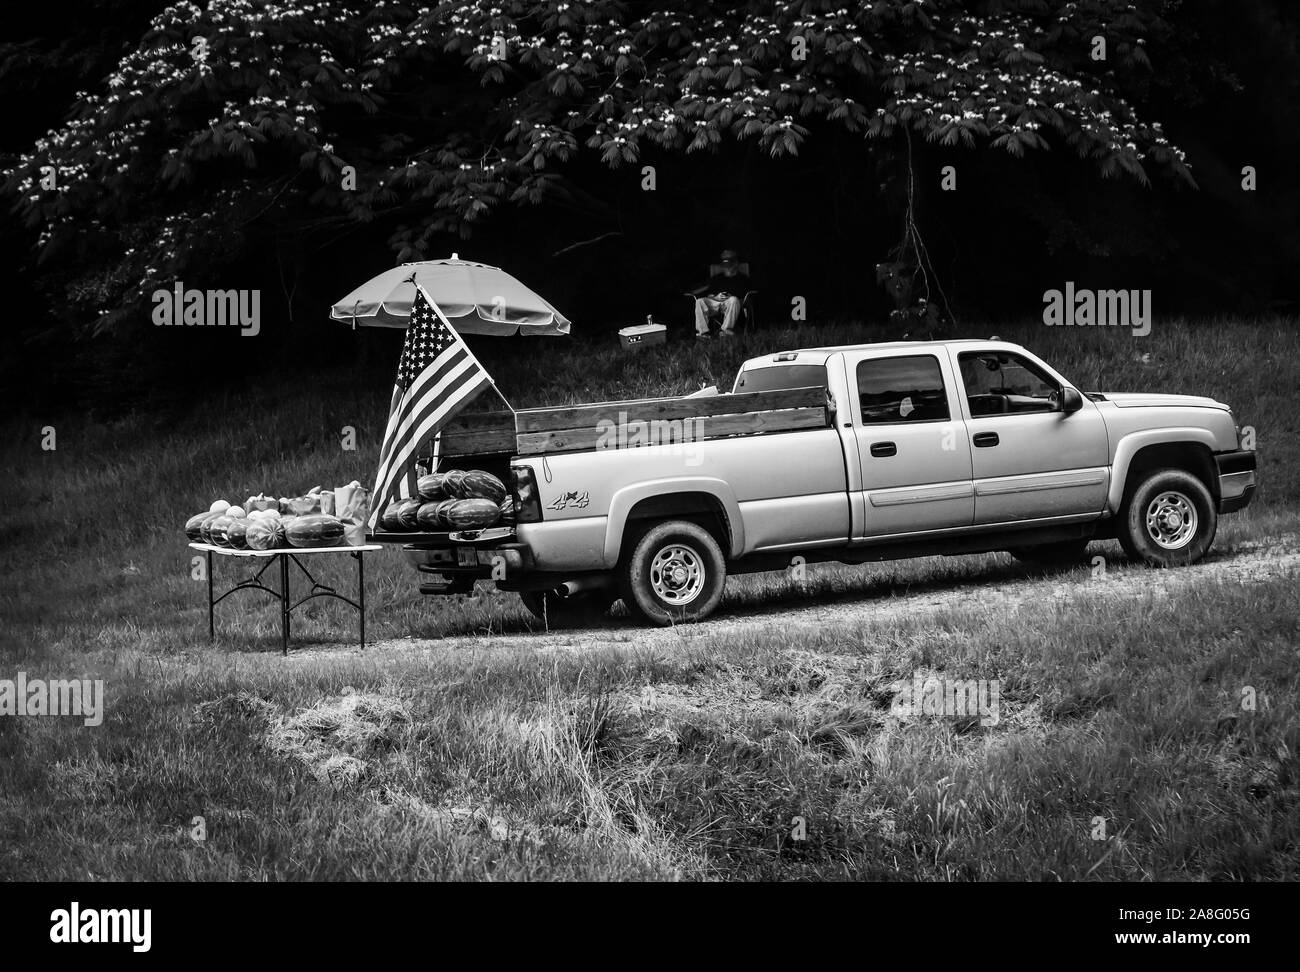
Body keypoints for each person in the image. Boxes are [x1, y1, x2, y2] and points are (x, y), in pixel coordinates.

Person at [691, 249, 751, 338]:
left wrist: (730, 297)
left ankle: (725, 332)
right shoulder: (717, 278)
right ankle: (702, 334)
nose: (728, 267)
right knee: (700, 301)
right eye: (725, 264)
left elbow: (743, 297)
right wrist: (716, 297)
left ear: (736, 264)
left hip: (732, 304)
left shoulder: (742, 278)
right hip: (716, 302)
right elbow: (710, 295)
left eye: (730, 263)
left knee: (733, 299)